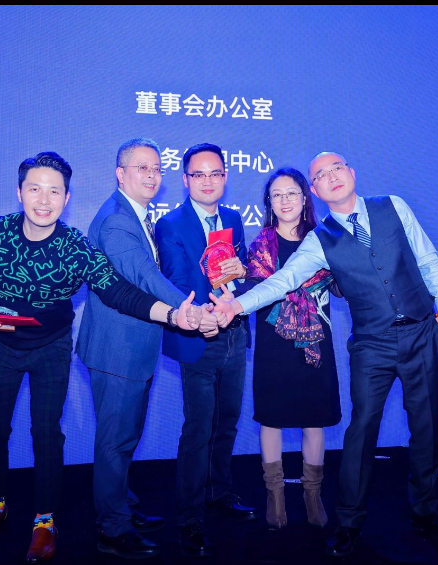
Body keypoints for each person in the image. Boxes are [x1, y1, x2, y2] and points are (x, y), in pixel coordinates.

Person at [211, 152, 438, 557]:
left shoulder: (393, 206)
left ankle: (426, 514)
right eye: (321, 175)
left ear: (351, 173)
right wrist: (236, 305)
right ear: (315, 190)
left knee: (427, 429)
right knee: (360, 434)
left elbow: (427, 258)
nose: (331, 177)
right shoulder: (319, 239)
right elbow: (282, 281)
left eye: (336, 168)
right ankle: (349, 523)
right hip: (372, 346)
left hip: (422, 333)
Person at [0, 151, 201, 563]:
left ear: (67, 198)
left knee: (46, 435)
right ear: (19, 192)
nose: (44, 200)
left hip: (51, 349)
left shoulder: (74, 247)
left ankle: (44, 522)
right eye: (35, 189)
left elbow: (118, 290)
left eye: (54, 191)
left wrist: (174, 314)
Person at [76, 138, 221, 560]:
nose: (152, 175)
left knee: (125, 435)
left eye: (157, 168)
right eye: (142, 168)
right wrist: (187, 309)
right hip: (117, 349)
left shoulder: (136, 215)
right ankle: (112, 528)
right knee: (115, 440)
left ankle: (122, 505)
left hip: (132, 346)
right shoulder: (117, 221)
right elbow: (143, 275)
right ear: (120, 174)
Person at [154, 143, 257, 557]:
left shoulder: (233, 219)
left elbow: (242, 277)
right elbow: (176, 283)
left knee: (227, 421)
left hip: (235, 334)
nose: (208, 181)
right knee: (198, 428)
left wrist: (242, 275)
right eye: (199, 174)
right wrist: (204, 316)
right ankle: (190, 518)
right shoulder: (171, 224)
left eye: (216, 173)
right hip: (200, 336)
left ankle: (219, 491)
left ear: (225, 177)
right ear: (185, 180)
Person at [239, 168, 341, 529]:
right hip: (274, 343)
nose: (285, 201)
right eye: (277, 195)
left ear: (304, 198)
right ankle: (276, 495)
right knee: (272, 418)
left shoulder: (324, 239)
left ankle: (313, 494)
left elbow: (341, 287)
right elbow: (252, 292)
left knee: (314, 419)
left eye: (292, 193)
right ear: (269, 202)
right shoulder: (260, 245)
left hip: (315, 342)